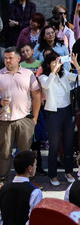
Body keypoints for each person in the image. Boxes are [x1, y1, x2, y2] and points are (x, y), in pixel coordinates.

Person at [37, 51, 79, 185]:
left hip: (68, 111)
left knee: (68, 145)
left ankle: (68, 172)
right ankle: (53, 175)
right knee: (54, 146)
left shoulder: (64, 74)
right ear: (48, 64)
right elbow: (46, 85)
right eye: (54, 62)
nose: (57, 65)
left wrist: (75, 64)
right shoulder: (43, 76)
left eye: (59, 62)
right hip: (53, 112)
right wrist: (54, 71)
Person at [0, 47, 41, 184]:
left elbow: (36, 96)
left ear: (18, 59)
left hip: (24, 119)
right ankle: (2, 181)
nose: (7, 61)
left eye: (10, 58)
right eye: (5, 58)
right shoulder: (0, 74)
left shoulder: (28, 74)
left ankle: (26, 180)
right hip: (4, 120)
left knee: (25, 153)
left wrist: (34, 118)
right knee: (4, 153)